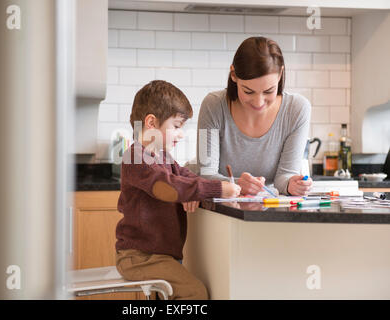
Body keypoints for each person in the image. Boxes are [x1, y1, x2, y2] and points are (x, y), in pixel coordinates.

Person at [115, 80, 241, 300]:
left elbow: (184, 176)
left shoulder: (162, 156)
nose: (181, 135)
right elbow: (167, 187)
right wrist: (215, 188)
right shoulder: (135, 157)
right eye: (176, 126)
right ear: (152, 122)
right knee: (195, 293)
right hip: (140, 257)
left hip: (158, 256)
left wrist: (196, 191)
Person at [197, 36, 312, 196]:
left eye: (268, 91)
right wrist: (237, 184)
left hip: (266, 206)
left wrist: (291, 184)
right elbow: (206, 174)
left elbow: (284, 177)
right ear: (233, 75)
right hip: (218, 210)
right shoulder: (213, 105)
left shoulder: (297, 109)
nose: (258, 103)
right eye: (248, 91)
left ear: (280, 74)